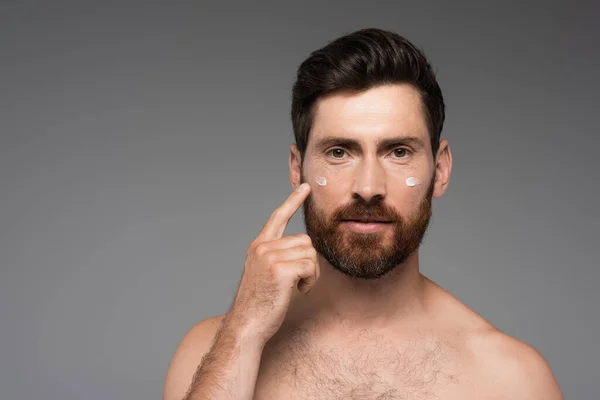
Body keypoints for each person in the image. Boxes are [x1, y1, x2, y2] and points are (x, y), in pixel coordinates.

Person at [163, 28, 563, 399]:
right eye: (339, 152)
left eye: (398, 152)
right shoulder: (213, 352)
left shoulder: (513, 379)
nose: (369, 187)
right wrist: (244, 330)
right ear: (296, 168)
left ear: (439, 171)